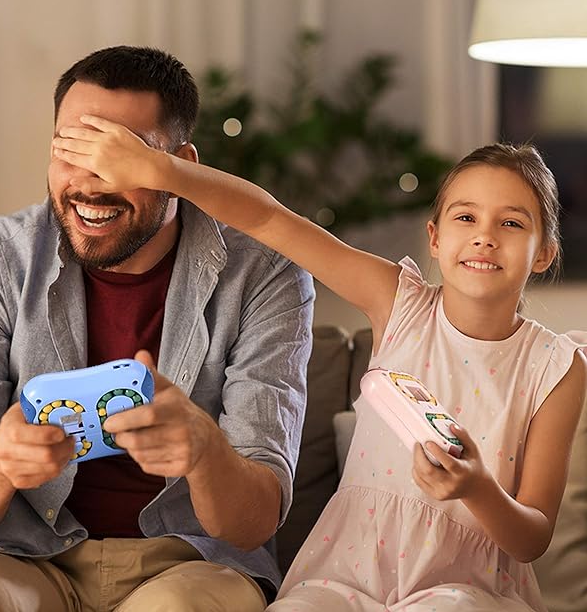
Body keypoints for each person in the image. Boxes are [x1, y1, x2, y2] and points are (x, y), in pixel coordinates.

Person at [47, 125, 586, 611]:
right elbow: (269, 220)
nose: (484, 235)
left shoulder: (556, 367)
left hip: (467, 588)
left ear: (544, 252)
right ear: (436, 238)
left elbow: (533, 536)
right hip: (346, 572)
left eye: (511, 223)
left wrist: (477, 489)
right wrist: (163, 173)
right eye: (465, 217)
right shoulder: (401, 304)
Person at [0, 46, 315, 611]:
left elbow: (252, 522)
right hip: (17, 557)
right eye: (71, 150)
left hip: (192, 561)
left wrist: (204, 450)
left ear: (181, 164)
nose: (89, 184)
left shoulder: (265, 275)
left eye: (121, 157)